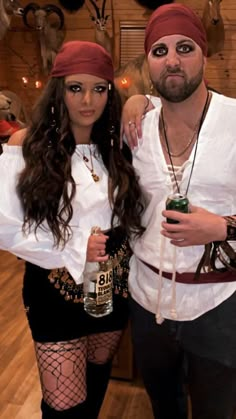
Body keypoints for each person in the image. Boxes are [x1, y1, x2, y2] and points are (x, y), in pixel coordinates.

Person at [0, 40, 144, 418]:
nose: (88, 101)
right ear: (58, 90)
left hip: (111, 284)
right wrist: (72, 249)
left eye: (99, 89)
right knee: (64, 403)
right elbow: (6, 226)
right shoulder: (26, 145)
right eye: (75, 88)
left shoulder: (118, 148)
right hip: (54, 286)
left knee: (96, 379)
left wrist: (140, 100)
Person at [121, 3, 236, 419]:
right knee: (164, 407)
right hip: (147, 299)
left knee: (215, 411)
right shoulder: (135, 126)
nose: (172, 60)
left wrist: (223, 225)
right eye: (159, 51)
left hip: (218, 304)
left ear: (204, 54)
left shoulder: (233, 121)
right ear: (148, 62)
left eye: (184, 48)